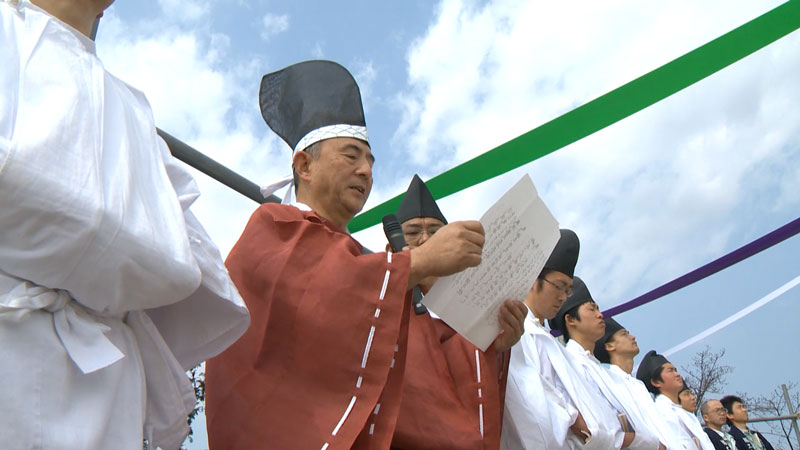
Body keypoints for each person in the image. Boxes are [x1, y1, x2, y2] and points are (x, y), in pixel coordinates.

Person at [0, 1, 250, 449]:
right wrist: (123, 250)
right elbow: (155, 253)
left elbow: (183, 271)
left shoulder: (135, 107)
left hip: (109, 379)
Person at [204, 60, 487, 449]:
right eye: (351, 156)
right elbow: (317, 300)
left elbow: (420, 378)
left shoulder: (369, 267)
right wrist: (418, 262)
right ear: (304, 164)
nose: (366, 170)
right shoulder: (273, 227)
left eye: (370, 161)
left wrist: (492, 339)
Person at [391, 174, 527, 449]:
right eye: (413, 232)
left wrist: (497, 347)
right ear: (390, 249)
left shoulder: (477, 309)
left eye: (436, 231)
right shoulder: (382, 312)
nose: (426, 238)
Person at [501, 230, 619, 449]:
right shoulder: (515, 331)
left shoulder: (553, 343)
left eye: (568, 289)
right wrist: (574, 419)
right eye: (559, 286)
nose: (563, 297)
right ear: (532, 278)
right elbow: (531, 407)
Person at [552, 277, 663, 449]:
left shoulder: (606, 373)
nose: (600, 314)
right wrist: (648, 443)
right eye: (592, 309)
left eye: (598, 308)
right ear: (571, 320)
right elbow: (592, 430)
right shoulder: (567, 362)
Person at [593, 318, 684, 450]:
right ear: (610, 346)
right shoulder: (609, 383)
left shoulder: (638, 386)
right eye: (624, 334)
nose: (632, 337)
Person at [637, 351, 715, 450]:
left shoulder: (684, 412)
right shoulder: (660, 412)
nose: (677, 374)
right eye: (671, 371)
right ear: (656, 382)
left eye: (676, 370)